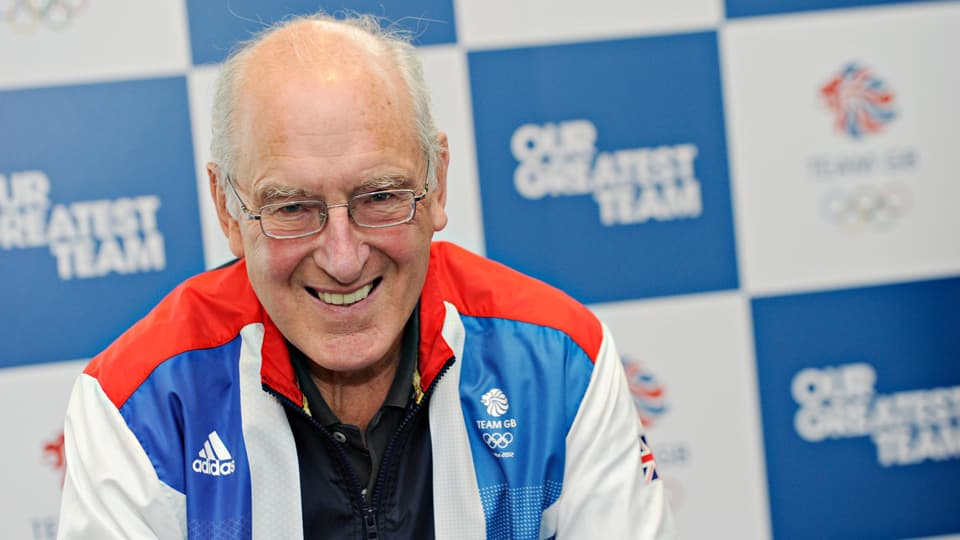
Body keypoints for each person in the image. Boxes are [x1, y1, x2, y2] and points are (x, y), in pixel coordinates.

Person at [57, 12, 674, 540]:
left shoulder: (555, 360)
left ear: (436, 186)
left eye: (380, 196)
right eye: (292, 207)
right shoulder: (140, 401)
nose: (344, 257)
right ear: (227, 207)